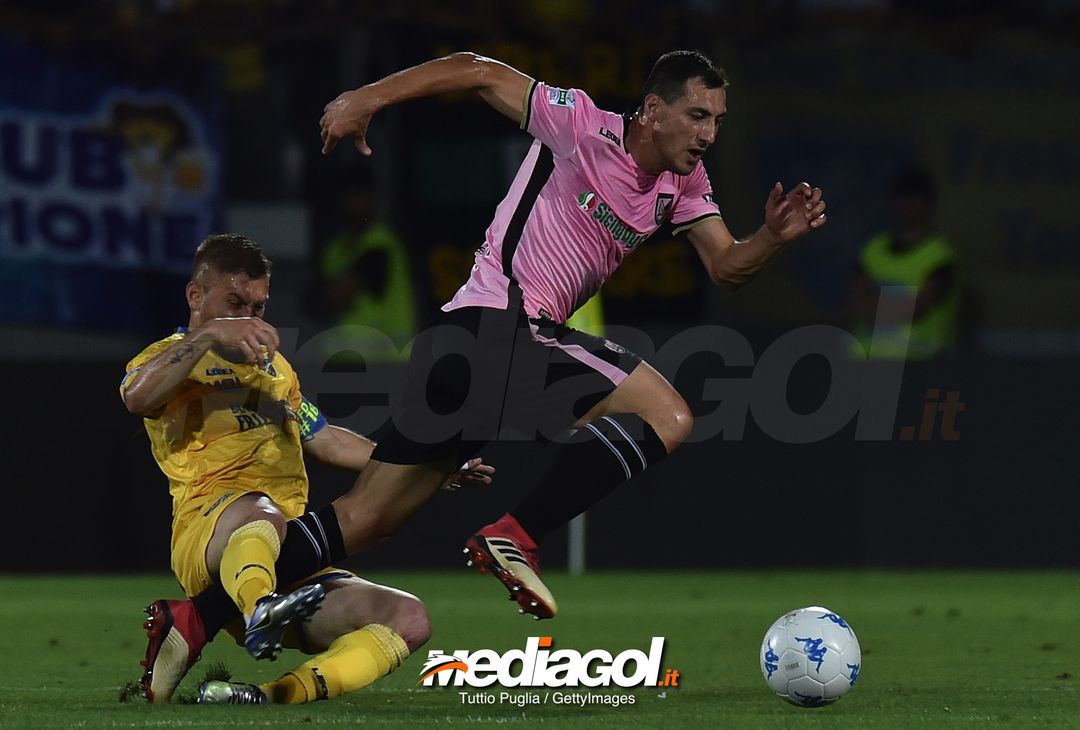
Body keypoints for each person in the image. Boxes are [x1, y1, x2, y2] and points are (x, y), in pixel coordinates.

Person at [151, 49, 826, 666]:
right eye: (696, 114)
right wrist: (367, 97)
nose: (708, 132)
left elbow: (727, 266)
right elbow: (476, 70)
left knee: (366, 519)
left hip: (469, 347)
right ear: (654, 109)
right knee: (670, 415)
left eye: (716, 119)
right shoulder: (583, 125)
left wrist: (770, 237)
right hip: (499, 326)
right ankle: (515, 535)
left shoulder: (683, 181)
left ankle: (193, 618)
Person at [122, 233, 491, 704]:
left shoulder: (276, 370)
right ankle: (259, 610)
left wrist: (425, 467)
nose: (248, 319)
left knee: (409, 620)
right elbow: (137, 397)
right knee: (263, 511)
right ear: (196, 295)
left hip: (287, 560)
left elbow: (328, 439)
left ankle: (267, 694)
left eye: (258, 307)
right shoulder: (167, 357)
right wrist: (210, 335)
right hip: (211, 536)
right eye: (235, 303)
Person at [849, 166, 958, 360]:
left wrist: (873, 308)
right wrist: (894, 308)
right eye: (902, 196)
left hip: (918, 362)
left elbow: (916, 308)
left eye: (915, 197)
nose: (908, 204)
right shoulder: (873, 249)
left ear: (929, 203)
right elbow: (856, 300)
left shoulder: (939, 255)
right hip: (867, 358)